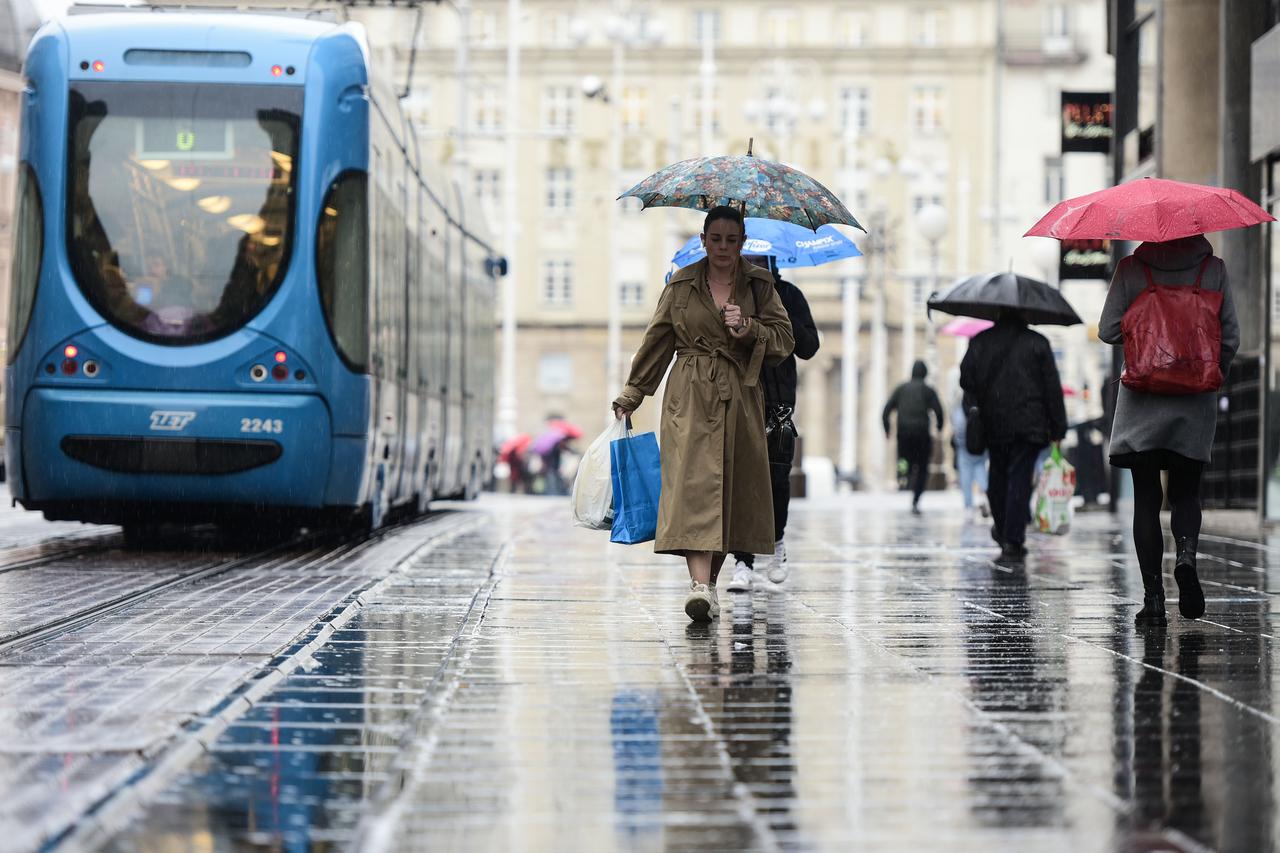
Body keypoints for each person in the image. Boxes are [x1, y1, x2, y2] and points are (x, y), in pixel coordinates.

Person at [612, 206, 795, 623]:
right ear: (704, 239)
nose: (724, 248)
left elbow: (785, 340)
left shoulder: (761, 285)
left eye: (733, 240)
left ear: (743, 242)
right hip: (689, 396)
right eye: (716, 239)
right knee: (695, 487)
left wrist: (749, 328)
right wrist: (633, 392)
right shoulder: (681, 284)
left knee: (727, 492)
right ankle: (698, 586)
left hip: (739, 398)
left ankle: (709, 587)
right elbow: (657, 340)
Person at [1099, 235, 1239, 624]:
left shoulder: (1132, 269)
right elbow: (1231, 338)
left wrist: (1143, 324)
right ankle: (1187, 558)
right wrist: (1212, 375)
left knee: (1146, 498)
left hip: (1142, 400)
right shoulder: (1214, 270)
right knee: (1186, 493)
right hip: (1194, 402)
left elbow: (1108, 329)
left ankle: (1154, 601)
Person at [726, 255, 819, 591]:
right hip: (740, 396)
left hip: (778, 402)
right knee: (741, 480)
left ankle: (777, 542)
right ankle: (742, 561)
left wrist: (779, 318)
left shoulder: (789, 295)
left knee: (778, 478)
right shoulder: (731, 295)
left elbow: (810, 347)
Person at [960, 310, 1067, 565]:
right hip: (1029, 422)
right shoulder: (1037, 343)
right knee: (1020, 477)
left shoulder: (980, 341)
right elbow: (1052, 386)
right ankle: (1013, 537)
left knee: (996, 473)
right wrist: (1058, 425)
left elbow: (966, 381)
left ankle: (1003, 525)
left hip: (993, 421)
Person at [882, 360, 944, 515]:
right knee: (922, 466)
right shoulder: (928, 390)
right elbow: (939, 411)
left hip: (904, 433)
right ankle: (916, 496)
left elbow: (886, 410)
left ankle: (903, 477)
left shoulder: (901, 389)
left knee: (903, 458)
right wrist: (939, 427)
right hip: (922, 433)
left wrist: (887, 429)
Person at [948, 366, 989, 519]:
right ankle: (988, 497)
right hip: (980, 443)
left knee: (966, 475)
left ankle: (968, 505)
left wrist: (960, 441)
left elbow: (958, 424)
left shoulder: (959, 401)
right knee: (981, 471)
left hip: (965, 445)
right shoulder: (981, 396)